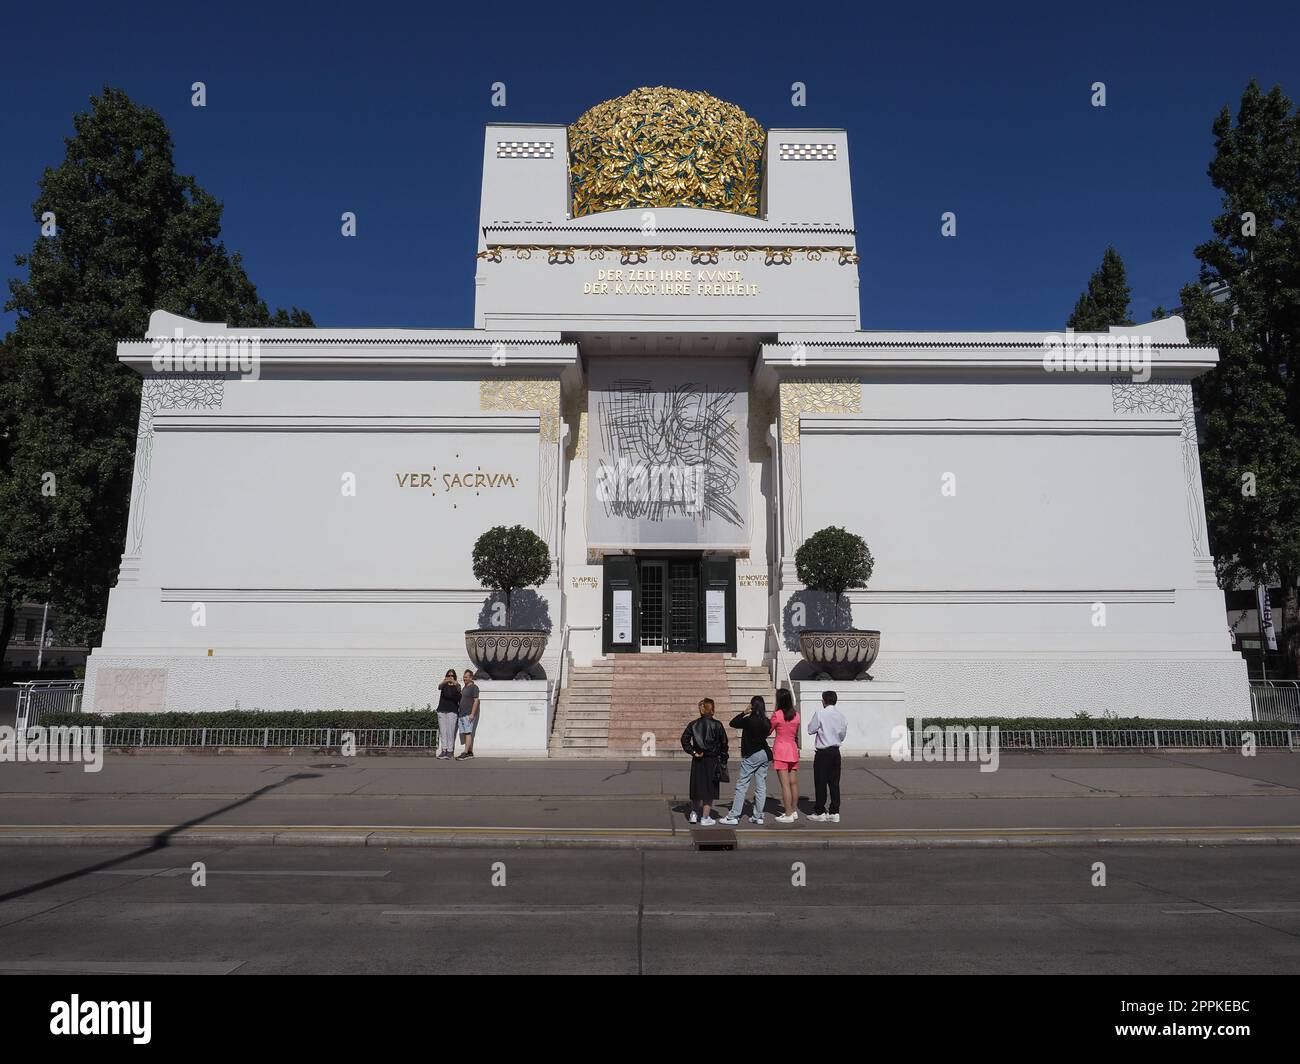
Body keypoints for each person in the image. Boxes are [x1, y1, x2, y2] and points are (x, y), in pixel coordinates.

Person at [719, 695, 772, 826]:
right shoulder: (766, 721)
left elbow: (733, 723)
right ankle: (758, 815)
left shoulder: (749, 720)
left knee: (742, 784)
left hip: (752, 754)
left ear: (752, 706)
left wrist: (744, 712)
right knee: (761, 785)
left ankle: (734, 815)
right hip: (764, 753)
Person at [680, 697, 728, 826]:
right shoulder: (717, 725)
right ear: (712, 709)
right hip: (712, 760)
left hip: (698, 759)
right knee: (709, 789)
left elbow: (684, 740)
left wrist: (693, 752)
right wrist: (724, 760)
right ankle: (705, 817)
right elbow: (724, 744)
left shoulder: (694, 724)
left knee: (697, 787)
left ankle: (694, 814)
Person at [806, 689, 847, 823]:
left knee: (821, 782)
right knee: (834, 783)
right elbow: (842, 735)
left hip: (823, 752)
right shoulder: (841, 716)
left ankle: (820, 811)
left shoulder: (820, 713)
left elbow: (811, 729)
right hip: (835, 751)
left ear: (824, 700)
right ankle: (835, 811)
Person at [769, 687, 801, 822]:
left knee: (785, 785)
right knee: (793, 783)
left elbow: (769, 730)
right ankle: (793, 810)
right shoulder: (797, 715)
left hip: (781, 750)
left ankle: (787, 813)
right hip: (793, 749)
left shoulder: (777, 715)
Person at [435, 669, 461, 760]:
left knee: (450, 732)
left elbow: (459, 688)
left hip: (452, 711)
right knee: (443, 731)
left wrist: (454, 682)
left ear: (455, 677)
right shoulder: (444, 685)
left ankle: (450, 751)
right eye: (448, 675)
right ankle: (443, 750)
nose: (450, 677)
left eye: (452, 675)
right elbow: (439, 687)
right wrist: (444, 681)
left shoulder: (456, 685)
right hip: (442, 710)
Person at [455, 668, 480, 759]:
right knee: (466, 733)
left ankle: (465, 753)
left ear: (471, 677)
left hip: (468, 714)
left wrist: (472, 714)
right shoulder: (465, 687)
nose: (464, 679)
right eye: (464, 677)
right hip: (462, 714)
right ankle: (470, 752)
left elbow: (476, 701)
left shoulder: (474, 687)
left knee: (468, 733)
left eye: (466, 677)